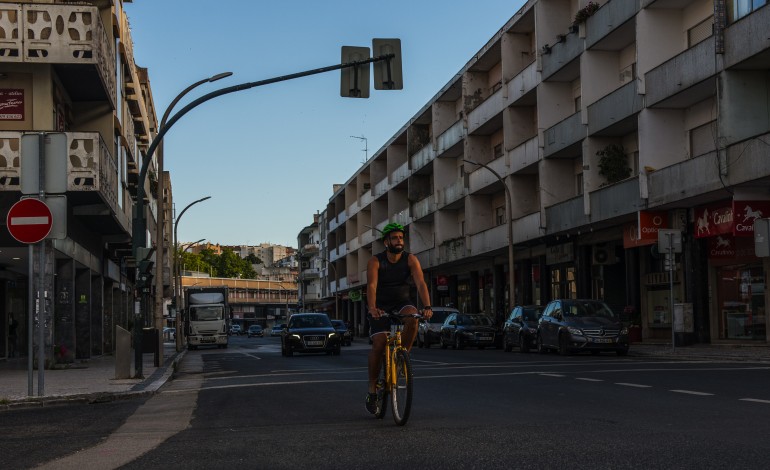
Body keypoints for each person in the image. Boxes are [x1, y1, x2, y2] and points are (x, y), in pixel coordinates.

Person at [365, 222, 432, 414]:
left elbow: (420, 283)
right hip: (380, 305)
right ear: (386, 242)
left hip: (402, 301)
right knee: (379, 343)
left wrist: (427, 306)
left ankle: (404, 357)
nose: (399, 241)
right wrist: (372, 308)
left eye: (401, 238)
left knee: (413, 318)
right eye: (395, 238)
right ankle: (372, 388)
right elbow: (371, 286)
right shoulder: (376, 261)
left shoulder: (411, 259)